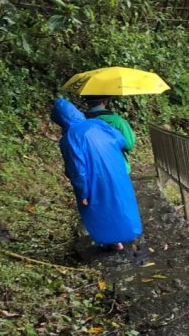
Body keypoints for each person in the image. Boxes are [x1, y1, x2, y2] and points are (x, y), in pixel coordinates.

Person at [51, 98, 142, 251]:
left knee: (100, 210)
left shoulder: (69, 138)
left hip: (94, 178)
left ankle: (112, 242)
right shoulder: (98, 123)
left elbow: (77, 169)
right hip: (116, 171)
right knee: (120, 203)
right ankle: (124, 236)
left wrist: (83, 193)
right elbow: (120, 140)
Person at [83, 95, 135, 172]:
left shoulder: (82, 122)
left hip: (93, 169)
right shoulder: (117, 121)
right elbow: (129, 144)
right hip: (118, 167)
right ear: (105, 101)